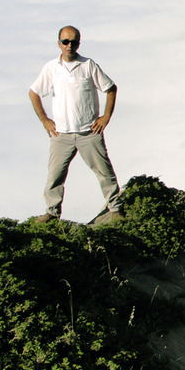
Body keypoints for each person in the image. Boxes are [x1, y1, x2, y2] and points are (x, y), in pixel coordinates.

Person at [29, 26, 123, 223]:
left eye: (73, 42)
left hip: (89, 132)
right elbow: (34, 92)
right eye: (65, 41)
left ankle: (115, 209)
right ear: (59, 43)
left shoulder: (88, 65)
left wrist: (105, 117)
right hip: (60, 135)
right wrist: (45, 120)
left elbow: (110, 88)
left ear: (79, 44)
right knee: (55, 176)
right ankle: (52, 212)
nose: (69, 45)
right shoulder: (51, 68)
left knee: (104, 172)